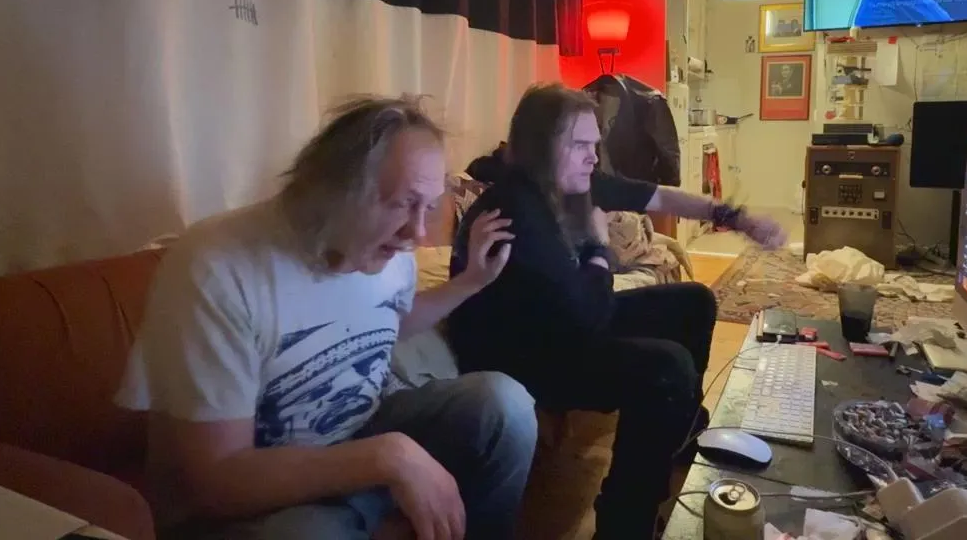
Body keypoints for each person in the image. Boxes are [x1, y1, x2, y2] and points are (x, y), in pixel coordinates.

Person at [114, 96, 537, 540]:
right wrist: (387, 457)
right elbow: (217, 482)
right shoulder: (217, 268)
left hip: (356, 431)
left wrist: (470, 282)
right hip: (251, 492)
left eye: (427, 207)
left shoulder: (386, 251)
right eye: (401, 204)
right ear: (334, 189)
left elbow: (382, 326)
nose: (416, 234)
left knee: (505, 406)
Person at [446, 84, 788, 538]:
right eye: (581, 145)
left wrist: (737, 218)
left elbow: (659, 196)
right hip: (521, 356)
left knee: (693, 302)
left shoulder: (570, 184)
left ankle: (678, 436)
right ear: (541, 148)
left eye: (595, 144)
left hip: (562, 319)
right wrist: (597, 247)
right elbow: (587, 315)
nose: (593, 157)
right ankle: (624, 520)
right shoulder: (515, 214)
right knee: (665, 368)